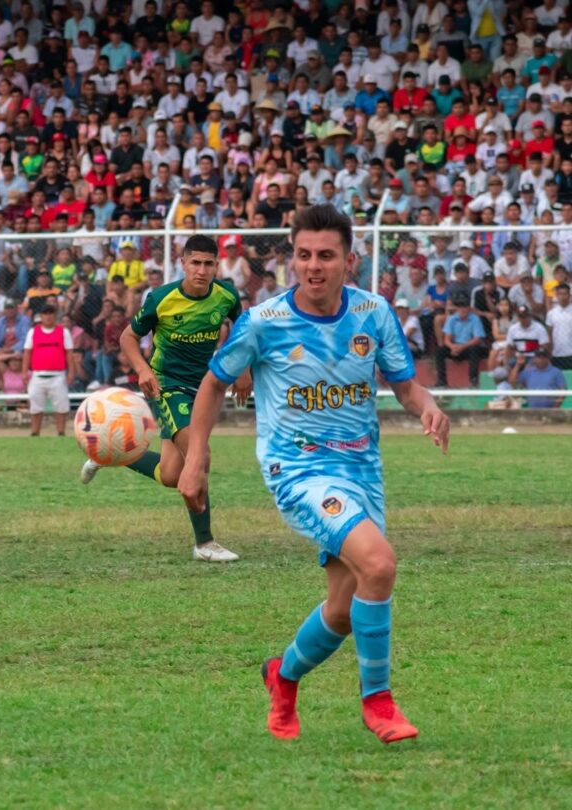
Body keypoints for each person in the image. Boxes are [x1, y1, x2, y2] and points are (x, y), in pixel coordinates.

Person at [179, 205, 450, 743]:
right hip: (299, 471)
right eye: (303, 255)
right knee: (380, 563)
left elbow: (404, 385)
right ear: (291, 260)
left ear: (349, 261)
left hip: (362, 470)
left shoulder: (373, 313)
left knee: (345, 608)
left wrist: (428, 407)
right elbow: (213, 384)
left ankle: (283, 675)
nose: (313, 266)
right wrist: (194, 456)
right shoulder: (264, 322)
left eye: (326, 255)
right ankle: (379, 703)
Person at [82, 234, 245, 564]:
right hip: (167, 386)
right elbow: (129, 337)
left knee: (172, 474)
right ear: (182, 263)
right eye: (195, 263)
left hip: (205, 386)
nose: (201, 270)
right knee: (200, 455)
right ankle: (205, 542)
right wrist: (142, 369)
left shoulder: (226, 295)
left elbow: (242, 330)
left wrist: (244, 369)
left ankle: (115, 454)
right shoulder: (161, 298)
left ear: (217, 265)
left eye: (208, 263)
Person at [21, 303, 74, 436]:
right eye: (46, 313)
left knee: (61, 405)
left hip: (58, 375)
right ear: (41, 316)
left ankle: (61, 431)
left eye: (51, 313)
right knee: (35, 405)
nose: (48, 316)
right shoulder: (33, 332)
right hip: (38, 374)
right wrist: (24, 372)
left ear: (55, 316)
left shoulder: (64, 332)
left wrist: (71, 372)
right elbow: (27, 352)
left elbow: (69, 353)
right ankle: (35, 431)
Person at [436, 293, 487, 388]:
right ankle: (442, 381)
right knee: (440, 351)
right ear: (457, 308)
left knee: (474, 349)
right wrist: (453, 347)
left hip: (468, 347)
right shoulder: (451, 319)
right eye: (460, 306)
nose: (462, 309)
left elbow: (478, 339)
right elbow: (447, 339)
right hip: (456, 347)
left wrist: (462, 347)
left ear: (469, 307)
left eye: (465, 306)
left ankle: (473, 380)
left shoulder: (475, 319)